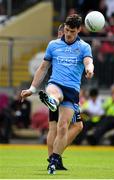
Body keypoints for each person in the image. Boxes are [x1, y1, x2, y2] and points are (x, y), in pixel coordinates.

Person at [21, 14, 94, 174]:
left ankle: (54, 158)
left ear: (79, 30)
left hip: (72, 90)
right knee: (55, 94)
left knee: (61, 128)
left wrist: (89, 70)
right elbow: (43, 68)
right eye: (66, 30)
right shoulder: (53, 45)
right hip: (55, 84)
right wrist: (32, 89)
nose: (68, 34)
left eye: (72, 31)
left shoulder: (84, 47)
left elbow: (88, 62)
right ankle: (52, 100)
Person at [46, 23, 83, 171]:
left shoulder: (55, 49)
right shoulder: (59, 49)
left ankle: (53, 158)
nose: (65, 35)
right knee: (76, 126)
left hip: (53, 92)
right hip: (64, 93)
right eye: (64, 32)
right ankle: (56, 155)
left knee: (54, 127)